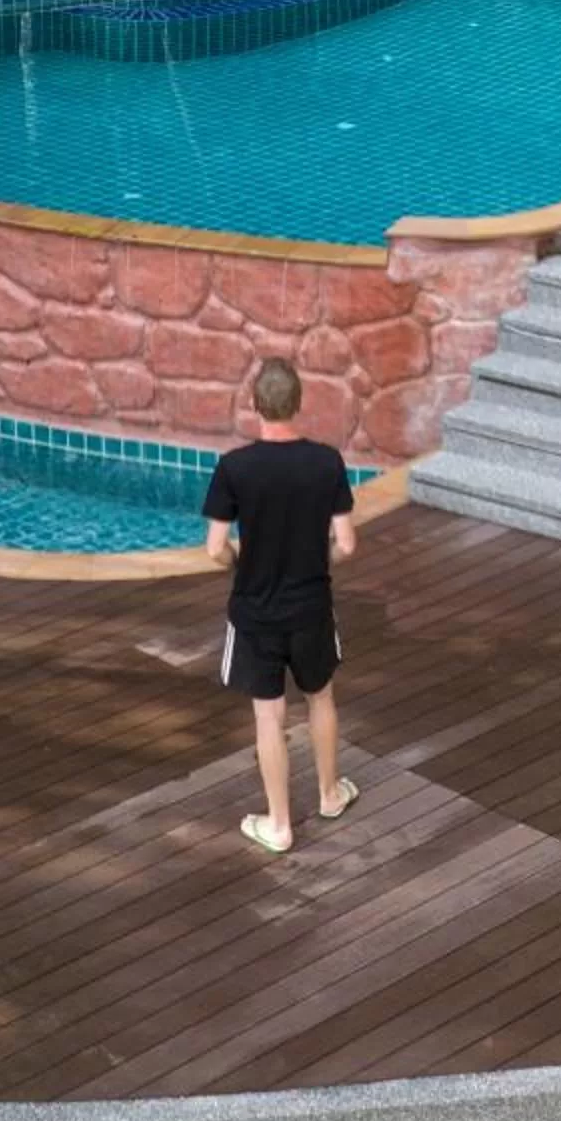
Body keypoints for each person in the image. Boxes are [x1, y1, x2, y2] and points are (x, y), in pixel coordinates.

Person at [203, 357, 359, 854]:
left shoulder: (234, 468)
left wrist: (236, 564)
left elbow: (214, 549)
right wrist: (319, 556)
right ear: (299, 403)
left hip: (256, 614)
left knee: (269, 718)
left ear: (254, 405)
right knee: (321, 697)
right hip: (311, 605)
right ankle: (331, 794)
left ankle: (279, 825)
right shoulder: (327, 462)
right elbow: (347, 545)